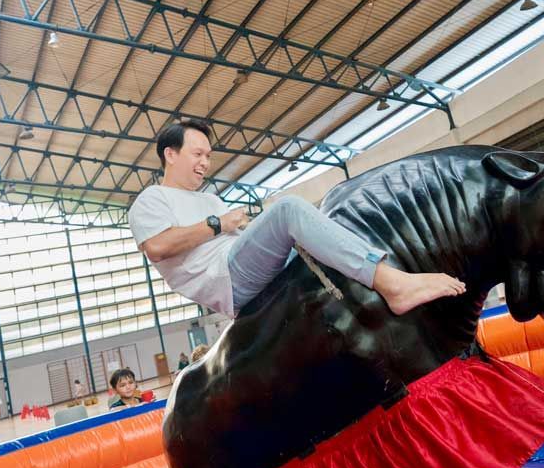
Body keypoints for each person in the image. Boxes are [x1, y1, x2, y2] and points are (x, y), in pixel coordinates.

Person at [128, 120, 466, 319]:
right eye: (197, 154)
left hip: (240, 258)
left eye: (208, 156)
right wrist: (220, 224)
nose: (205, 163)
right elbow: (158, 247)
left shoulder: (209, 198)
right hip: (226, 279)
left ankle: (399, 274)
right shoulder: (151, 200)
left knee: (330, 228)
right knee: (288, 209)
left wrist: (243, 228)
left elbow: (235, 232)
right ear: (170, 155)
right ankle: (394, 286)